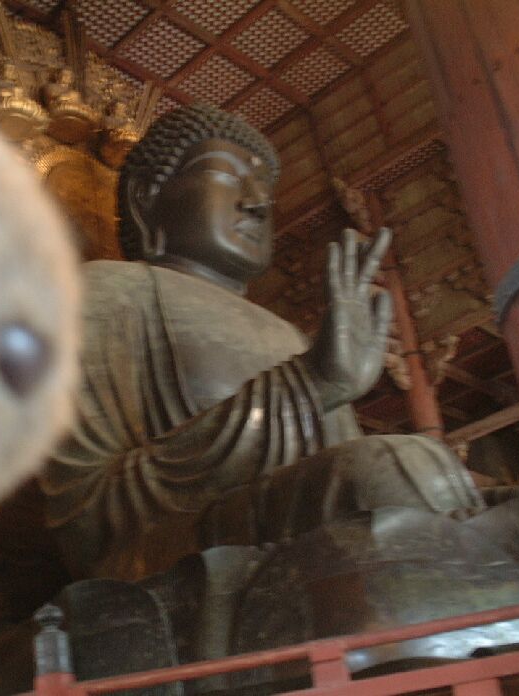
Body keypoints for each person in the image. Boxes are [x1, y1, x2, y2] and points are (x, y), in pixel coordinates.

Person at [40, 104, 482, 580]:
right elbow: (86, 521)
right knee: (398, 471)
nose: (257, 203)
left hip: (295, 527)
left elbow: (337, 475)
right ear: (148, 199)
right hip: (170, 551)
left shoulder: (288, 334)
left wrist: (316, 383)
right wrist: (310, 384)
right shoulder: (103, 292)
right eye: (228, 177)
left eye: (265, 190)